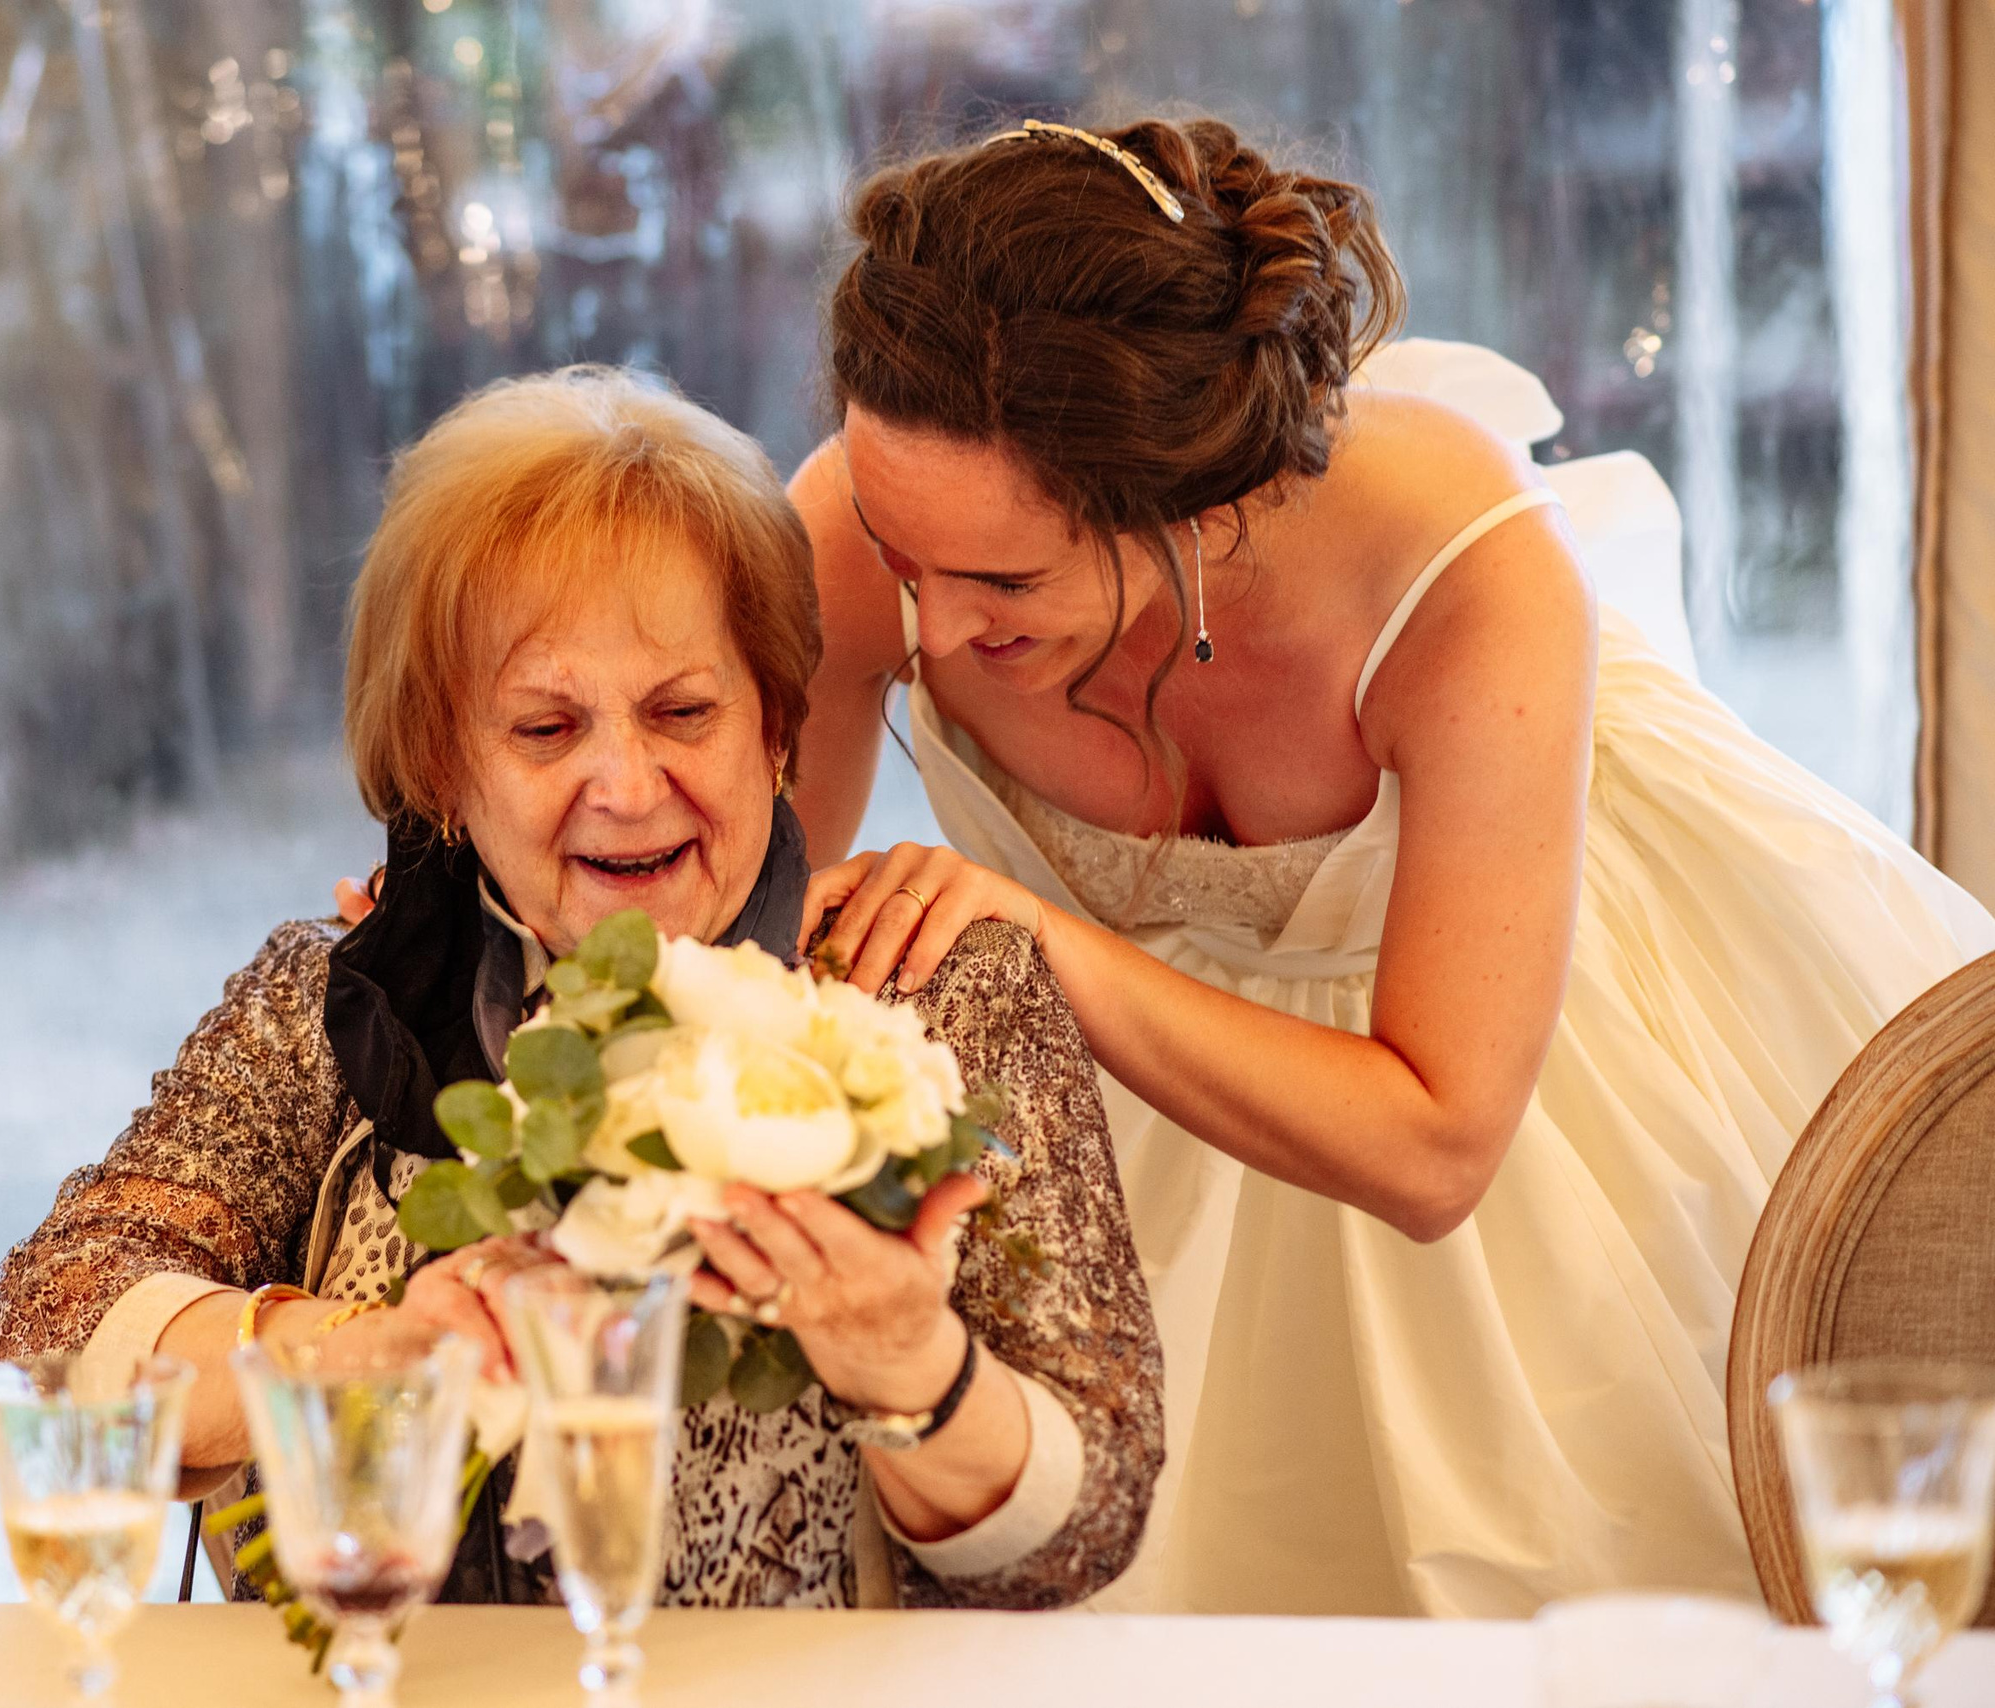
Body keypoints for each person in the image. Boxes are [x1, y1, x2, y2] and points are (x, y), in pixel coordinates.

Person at [785, 116, 1995, 1617]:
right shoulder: (870, 523)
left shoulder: (1458, 565)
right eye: (907, 564)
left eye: (1004, 584)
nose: (936, 633)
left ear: (1206, 515)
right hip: (1109, 1139)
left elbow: (1438, 1148)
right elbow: (736, 929)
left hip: (1518, 1075)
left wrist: (1039, 938)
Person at [0, 366, 1162, 1610]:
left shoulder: (926, 993)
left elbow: (1090, 1523)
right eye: (545, 730)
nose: (626, 783)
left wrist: (911, 1366)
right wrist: (343, 1354)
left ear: (776, 727)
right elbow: (51, 1331)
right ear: (442, 764)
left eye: (683, 711)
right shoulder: (335, 1001)